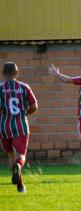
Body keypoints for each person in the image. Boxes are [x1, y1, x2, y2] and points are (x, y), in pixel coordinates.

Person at [0, 62, 38, 192]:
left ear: (3, 73)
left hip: (4, 126)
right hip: (20, 125)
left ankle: (20, 186)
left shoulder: (0, 88)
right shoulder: (24, 87)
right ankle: (18, 165)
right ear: (17, 73)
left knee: (11, 155)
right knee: (20, 155)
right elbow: (34, 106)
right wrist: (25, 113)